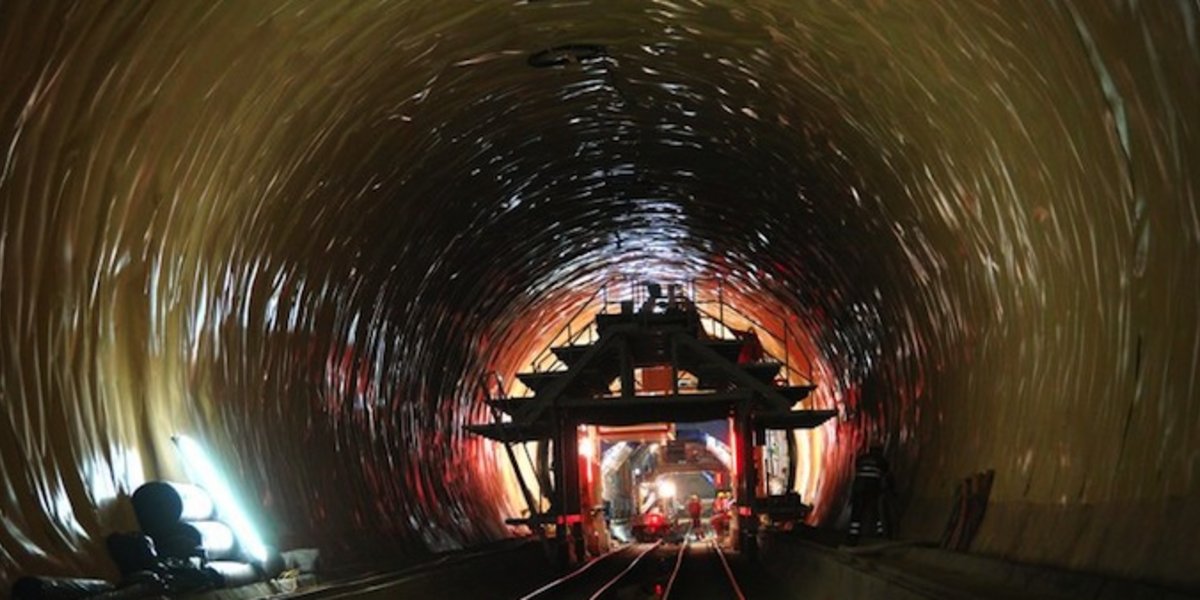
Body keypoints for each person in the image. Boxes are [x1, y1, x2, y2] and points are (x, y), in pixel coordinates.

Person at [847, 445, 892, 546]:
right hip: (873, 488)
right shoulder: (881, 461)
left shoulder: (862, 458)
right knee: (874, 510)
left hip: (859, 487)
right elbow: (885, 471)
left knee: (857, 511)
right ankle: (879, 533)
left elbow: (856, 467)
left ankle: (852, 537)